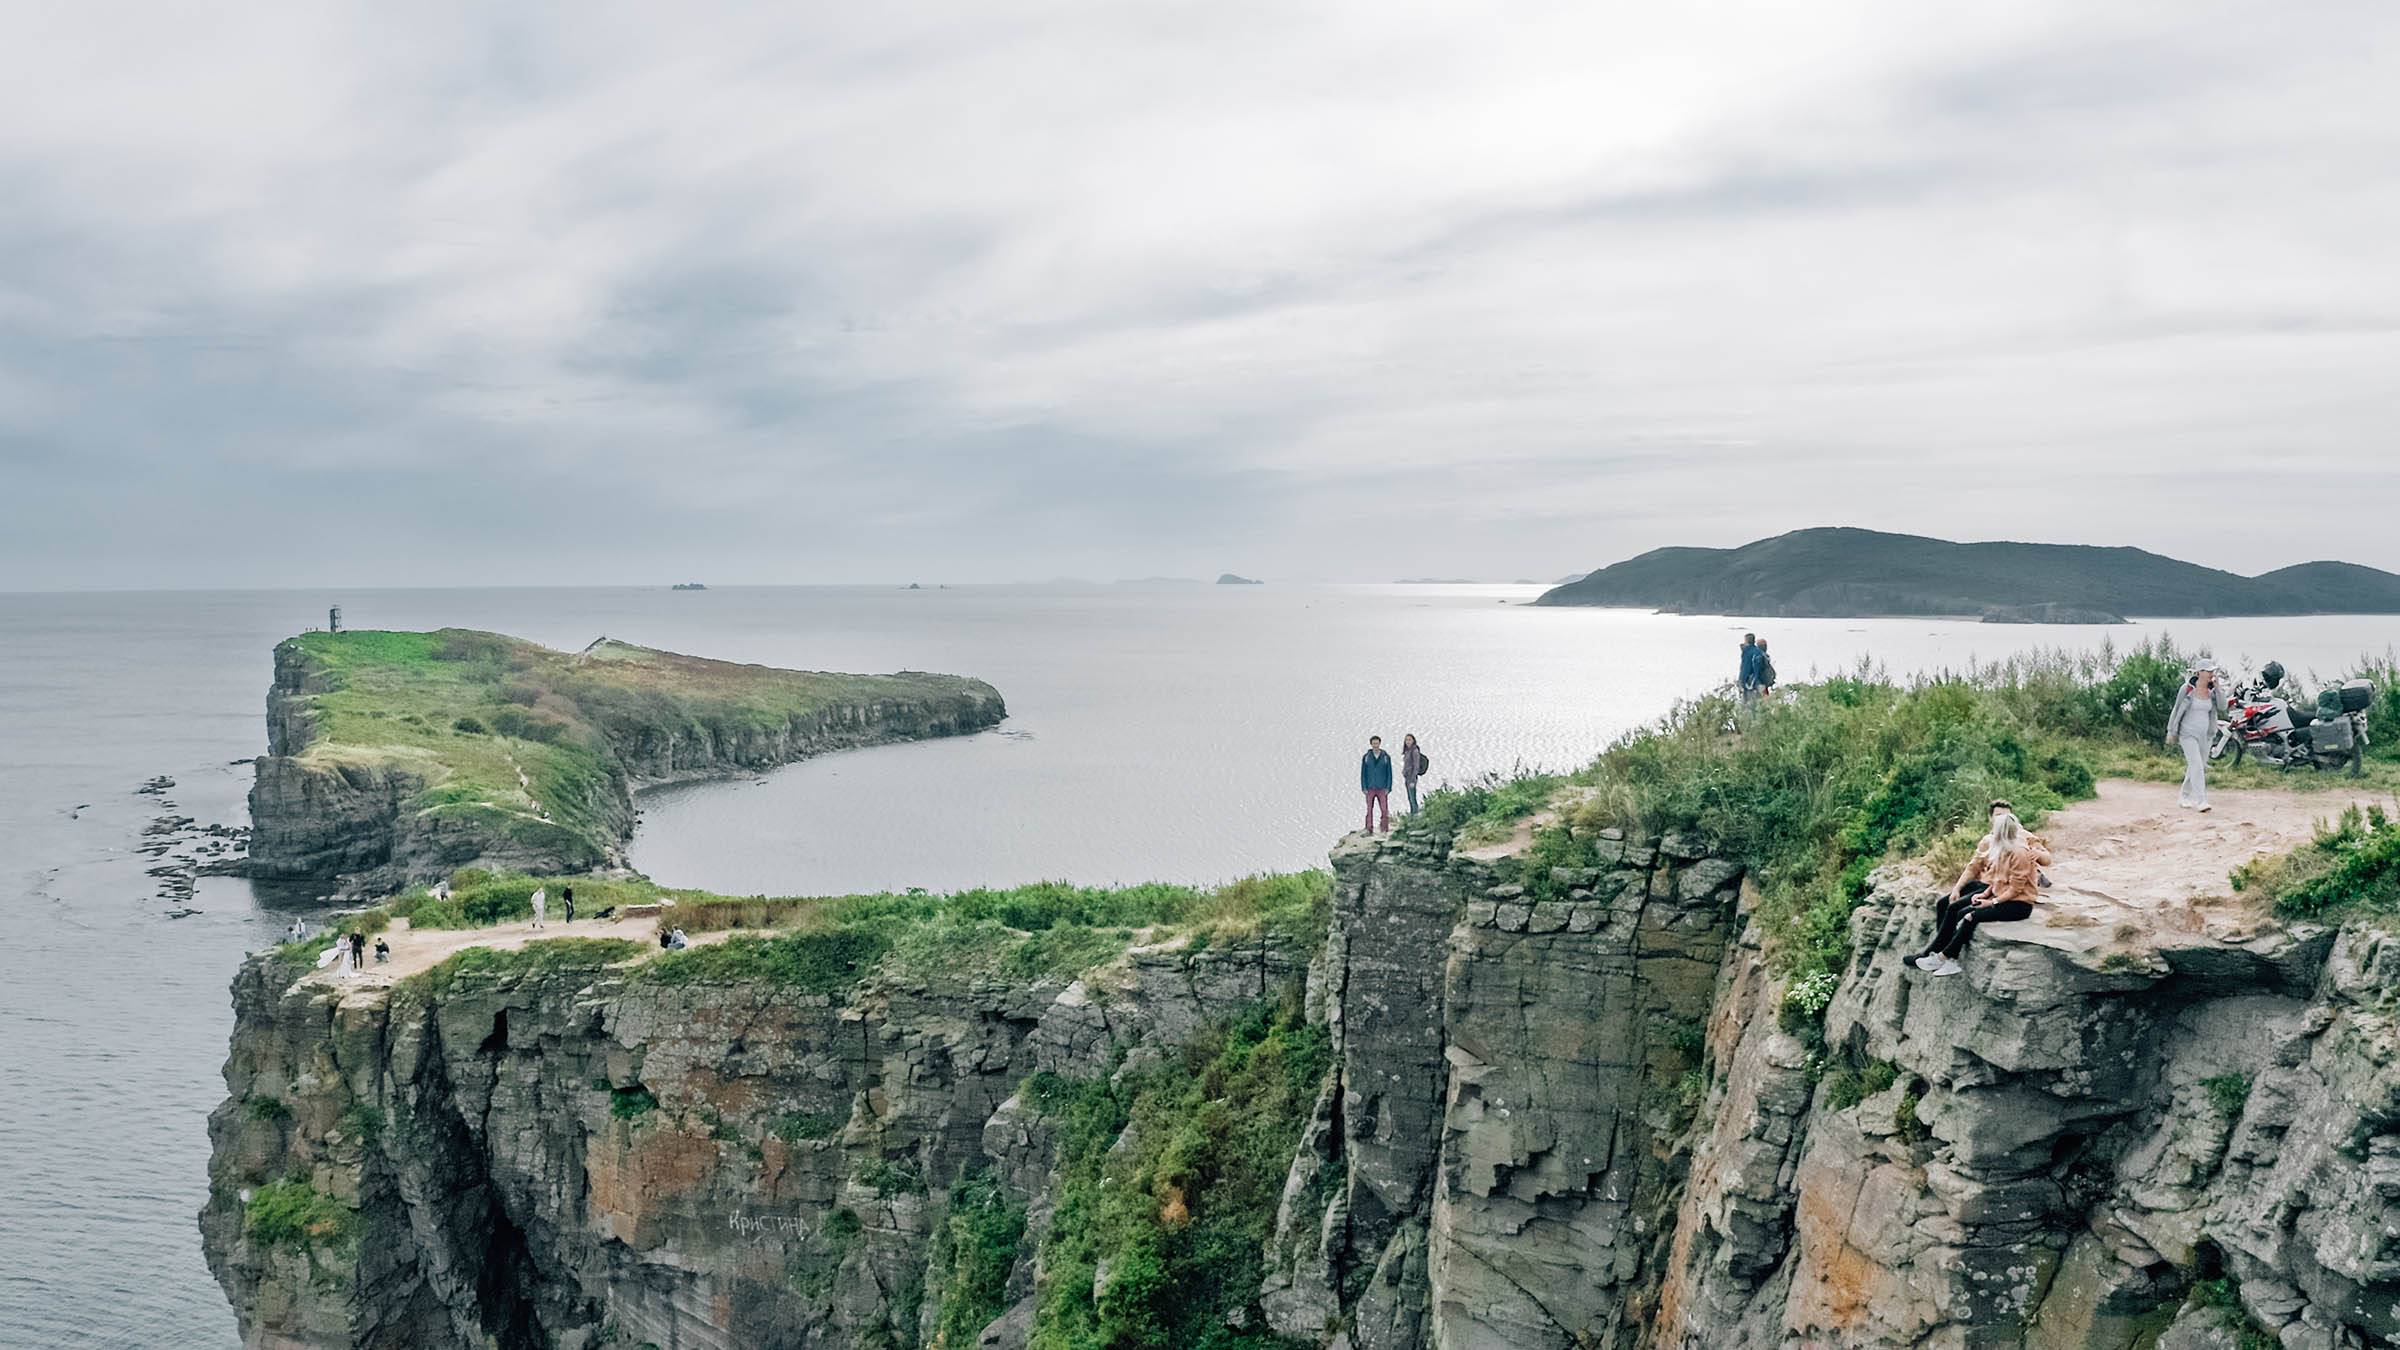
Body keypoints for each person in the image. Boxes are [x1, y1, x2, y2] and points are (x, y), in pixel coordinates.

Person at [1911, 810, 2051, 976]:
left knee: (1972, 916)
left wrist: (1992, 903)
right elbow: (1998, 880)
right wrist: (1984, 895)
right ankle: (1950, 959)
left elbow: (2015, 889)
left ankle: (1943, 958)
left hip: (2019, 905)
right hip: (2005, 899)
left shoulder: (2019, 853)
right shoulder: (2004, 849)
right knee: (1962, 911)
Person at [2166, 660, 2225, 812]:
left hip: (2206, 735)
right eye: (2208, 670)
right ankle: (2201, 800)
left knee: (2196, 766)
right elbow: (2176, 709)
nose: (2212, 673)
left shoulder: (2213, 691)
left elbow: (2223, 706)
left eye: (2213, 670)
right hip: (2187, 733)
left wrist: (2219, 690)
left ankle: (2184, 796)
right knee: (2197, 765)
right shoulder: (2186, 689)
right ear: (2199, 672)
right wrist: (2171, 731)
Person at [1360, 736, 1395, 834]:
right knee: (1369, 809)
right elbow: (1363, 773)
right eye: (1374, 743)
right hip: (1370, 787)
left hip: (1382, 787)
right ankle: (1369, 829)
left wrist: (1388, 787)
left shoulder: (1385, 757)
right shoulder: (1366, 757)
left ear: (1380, 744)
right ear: (1371, 744)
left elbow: (1389, 773)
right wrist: (1364, 787)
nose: (1375, 745)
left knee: (1384, 809)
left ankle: (1384, 828)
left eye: (1377, 743)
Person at [1400, 734, 1430, 814]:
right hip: (1407, 777)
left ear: (1413, 741)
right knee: (1410, 798)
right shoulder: (1407, 751)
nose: (1408, 742)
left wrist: (1413, 780)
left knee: (1413, 798)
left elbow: (1416, 766)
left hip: (1412, 778)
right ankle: (1412, 816)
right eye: (1406, 740)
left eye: (1409, 740)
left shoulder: (1415, 751)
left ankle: (1415, 817)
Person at [1738, 634, 1762, 702]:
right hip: (1760, 682)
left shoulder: (1747, 652)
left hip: (1750, 684)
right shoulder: (1758, 651)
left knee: (1747, 706)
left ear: (1746, 641)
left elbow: (1745, 669)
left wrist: (1741, 682)